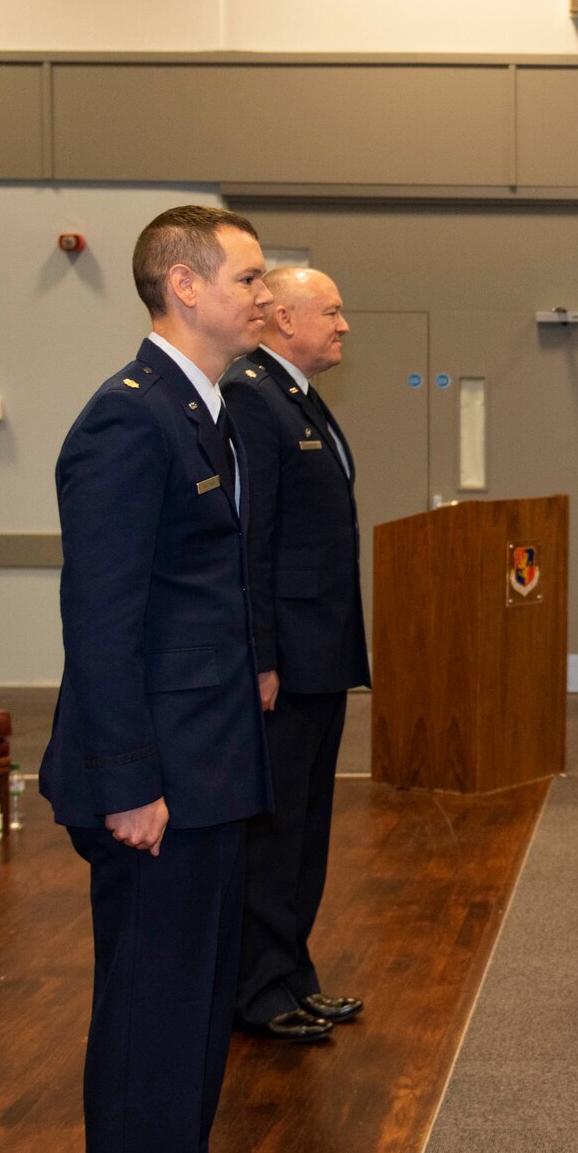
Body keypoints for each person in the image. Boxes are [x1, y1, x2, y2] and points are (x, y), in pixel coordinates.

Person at [40, 204, 280, 1153]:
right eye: (247, 275)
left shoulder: (206, 410)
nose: (261, 292)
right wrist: (129, 781)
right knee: (148, 1027)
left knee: (188, 1024)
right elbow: (99, 617)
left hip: (208, 772)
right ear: (183, 286)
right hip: (158, 787)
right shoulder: (126, 421)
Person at [223, 267, 369, 1044]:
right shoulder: (252, 394)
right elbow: (256, 539)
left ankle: (292, 975)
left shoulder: (300, 397)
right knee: (276, 830)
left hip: (321, 647)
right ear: (283, 317)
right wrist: (263, 656)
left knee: (307, 825)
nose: (344, 325)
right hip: (287, 655)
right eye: (332, 311)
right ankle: (257, 989)